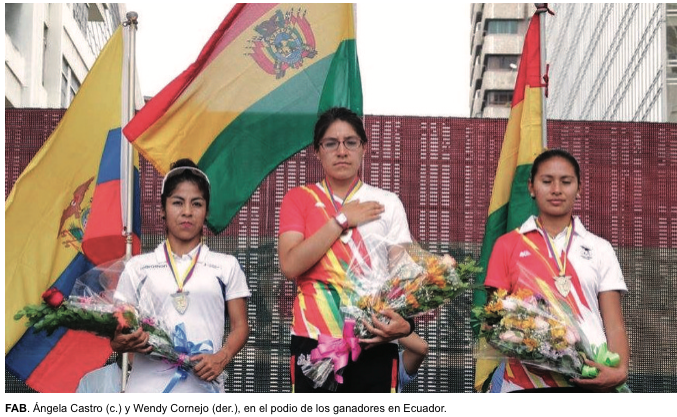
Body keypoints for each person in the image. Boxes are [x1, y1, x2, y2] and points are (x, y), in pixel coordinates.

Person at [278, 107, 418, 392]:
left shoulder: (387, 202)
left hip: (374, 336)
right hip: (314, 338)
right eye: (331, 143)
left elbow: (402, 279)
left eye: (350, 142)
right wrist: (341, 220)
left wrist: (406, 325)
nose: (341, 151)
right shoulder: (299, 199)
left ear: (363, 148)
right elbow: (291, 265)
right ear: (317, 151)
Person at [484, 149, 629, 392]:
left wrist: (620, 371)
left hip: (590, 379)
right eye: (547, 181)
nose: (556, 190)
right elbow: (493, 322)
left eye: (566, 182)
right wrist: (535, 344)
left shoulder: (600, 248)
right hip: (525, 383)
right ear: (531, 187)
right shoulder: (507, 245)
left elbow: (614, 324)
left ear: (579, 188)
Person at [110, 159, 250, 393]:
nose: (187, 212)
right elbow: (118, 334)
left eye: (197, 203)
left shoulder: (226, 266)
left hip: (204, 392)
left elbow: (241, 326)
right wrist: (120, 342)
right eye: (177, 202)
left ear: (207, 211)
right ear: (162, 209)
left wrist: (222, 357)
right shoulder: (138, 267)